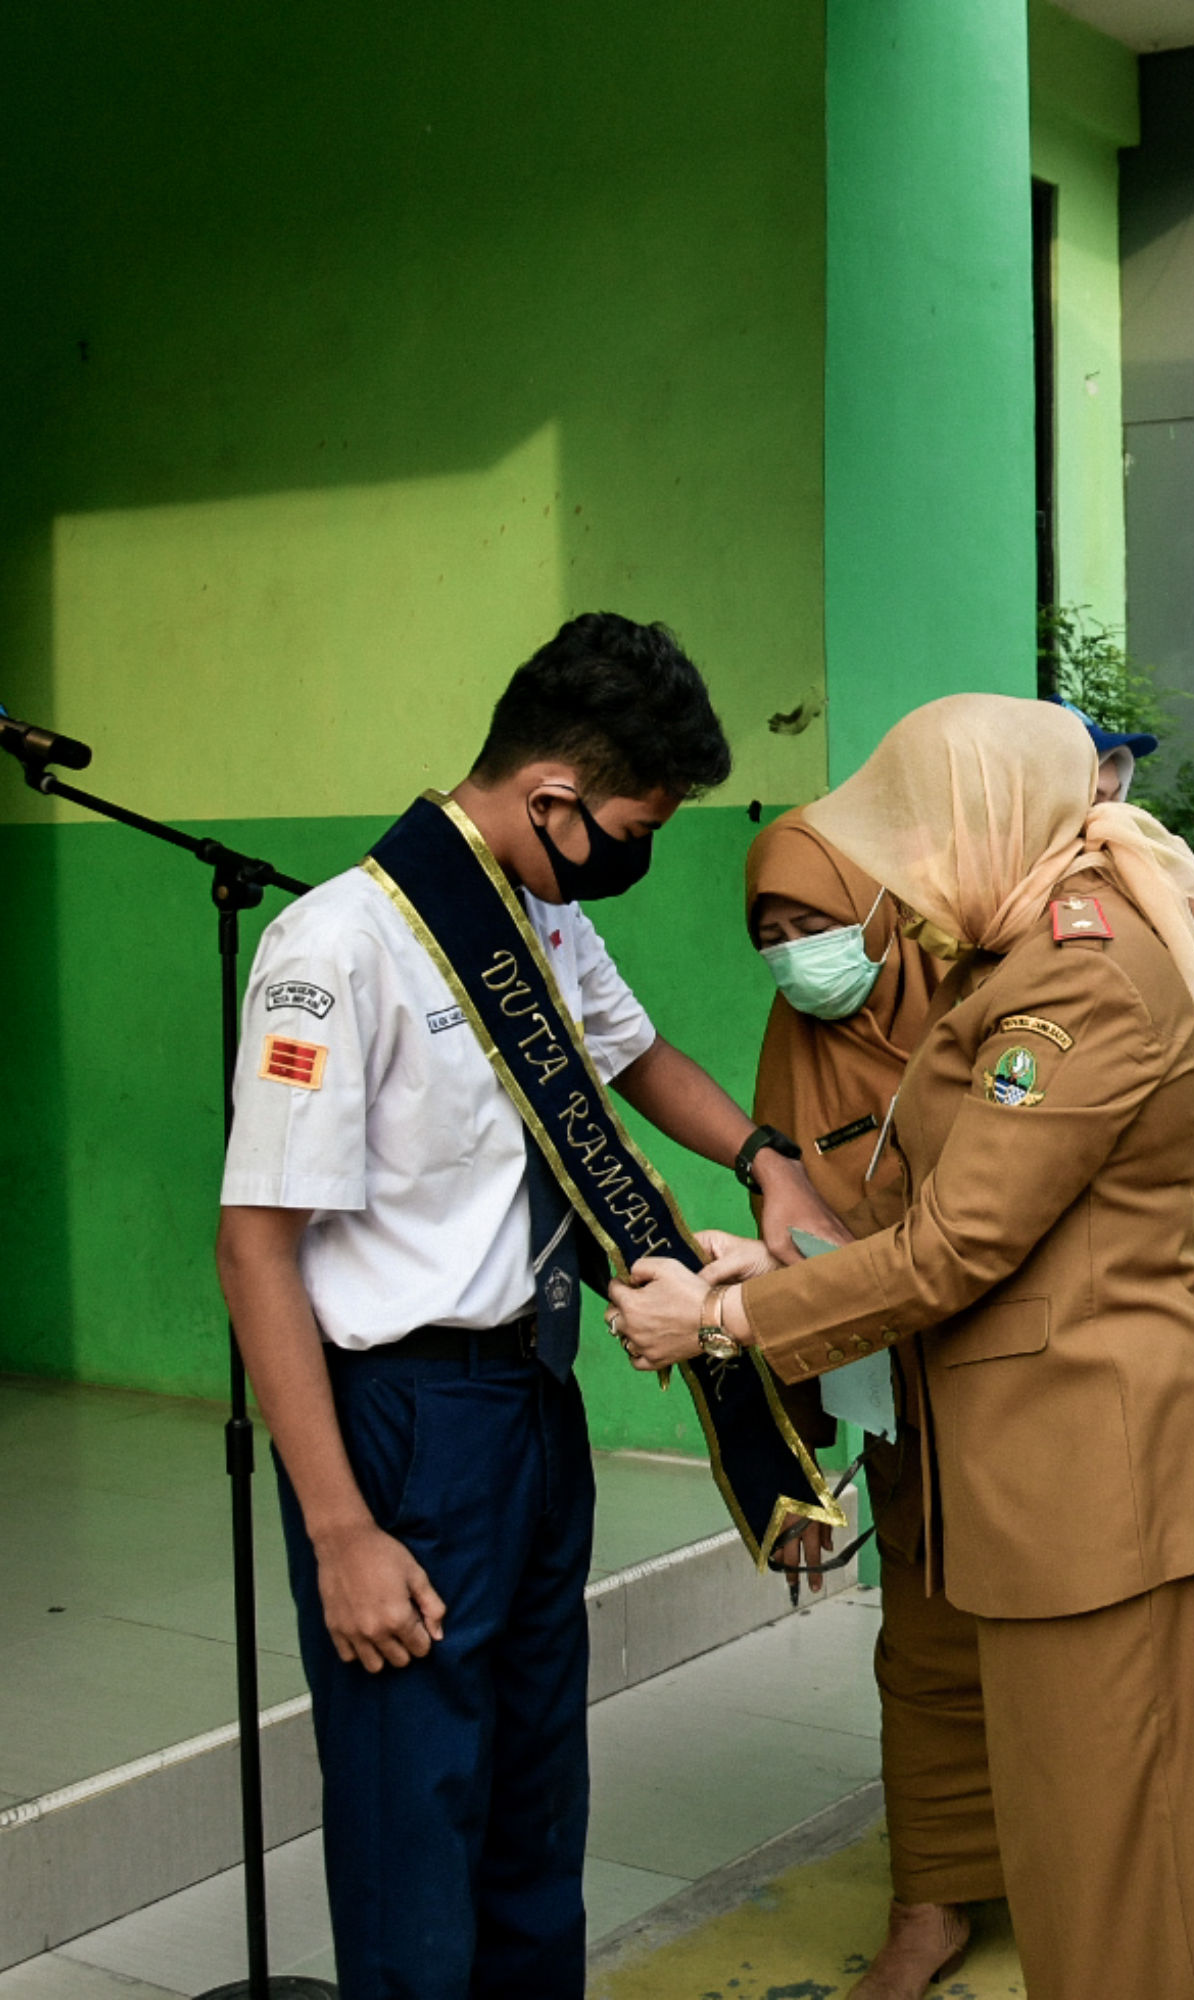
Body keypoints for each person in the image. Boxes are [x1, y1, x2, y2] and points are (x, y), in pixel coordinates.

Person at [612, 695, 1194, 2000]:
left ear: (991, 823)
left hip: (1095, 1476)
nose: (904, 882)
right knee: (1150, 1836)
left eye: (920, 841)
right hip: (1087, 1463)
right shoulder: (1028, 952)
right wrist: (780, 1261)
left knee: (1114, 1854)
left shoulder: (1073, 981)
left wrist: (724, 1322)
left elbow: (958, 1249)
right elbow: (975, 1209)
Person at [216, 615, 852, 1996]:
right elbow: (255, 1250)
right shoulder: (341, 947)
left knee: (528, 1804)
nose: (638, 857)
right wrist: (340, 1534)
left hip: (527, 1401)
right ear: (555, 799)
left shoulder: (542, 911)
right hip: (397, 1426)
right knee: (413, 1819)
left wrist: (766, 1164)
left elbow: (637, 1059)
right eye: (634, 826)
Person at [740, 810, 996, 1993]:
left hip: (1017, 1375)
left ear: (882, 910)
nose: (798, 954)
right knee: (926, 1645)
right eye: (772, 932)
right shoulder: (792, 1043)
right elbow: (792, 1257)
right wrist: (792, 1476)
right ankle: (932, 1893)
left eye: (818, 923)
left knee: (1099, 1641)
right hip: (901, 1390)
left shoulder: (986, 991)